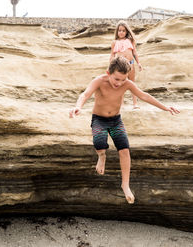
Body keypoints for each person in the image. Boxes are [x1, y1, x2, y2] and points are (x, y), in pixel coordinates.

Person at [69, 57, 180, 204]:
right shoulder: (99, 81)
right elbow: (85, 94)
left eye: (123, 79)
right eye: (116, 79)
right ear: (108, 73)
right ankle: (102, 157)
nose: (119, 83)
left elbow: (144, 96)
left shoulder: (127, 83)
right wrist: (78, 106)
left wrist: (165, 107)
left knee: (124, 150)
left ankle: (125, 184)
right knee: (99, 143)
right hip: (99, 120)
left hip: (115, 121)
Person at [110, 20, 143, 109]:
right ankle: (122, 104)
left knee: (132, 84)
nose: (121, 32)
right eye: (119, 30)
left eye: (123, 30)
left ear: (126, 31)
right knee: (121, 84)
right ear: (117, 31)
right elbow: (112, 55)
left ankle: (135, 104)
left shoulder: (130, 40)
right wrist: (110, 67)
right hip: (120, 65)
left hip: (131, 64)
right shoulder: (114, 42)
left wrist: (138, 63)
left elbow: (135, 52)